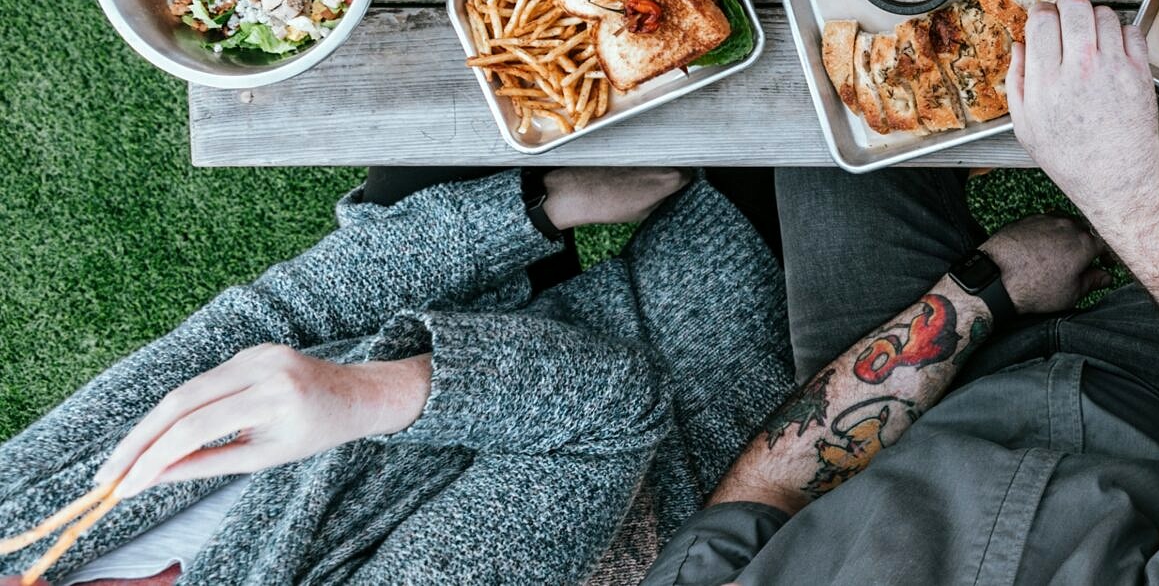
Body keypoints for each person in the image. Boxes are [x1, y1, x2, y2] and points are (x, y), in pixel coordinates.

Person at [640, 0, 1159, 585]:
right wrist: (1125, 193)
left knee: (834, 67)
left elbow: (767, 492)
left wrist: (982, 290)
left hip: (896, 413)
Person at [0, 167, 791, 585]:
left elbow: (276, 316)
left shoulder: (16, 525)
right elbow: (610, 412)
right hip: (681, 358)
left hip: (469, 320)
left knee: (476, 39)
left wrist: (533, 207)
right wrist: (356, 395)